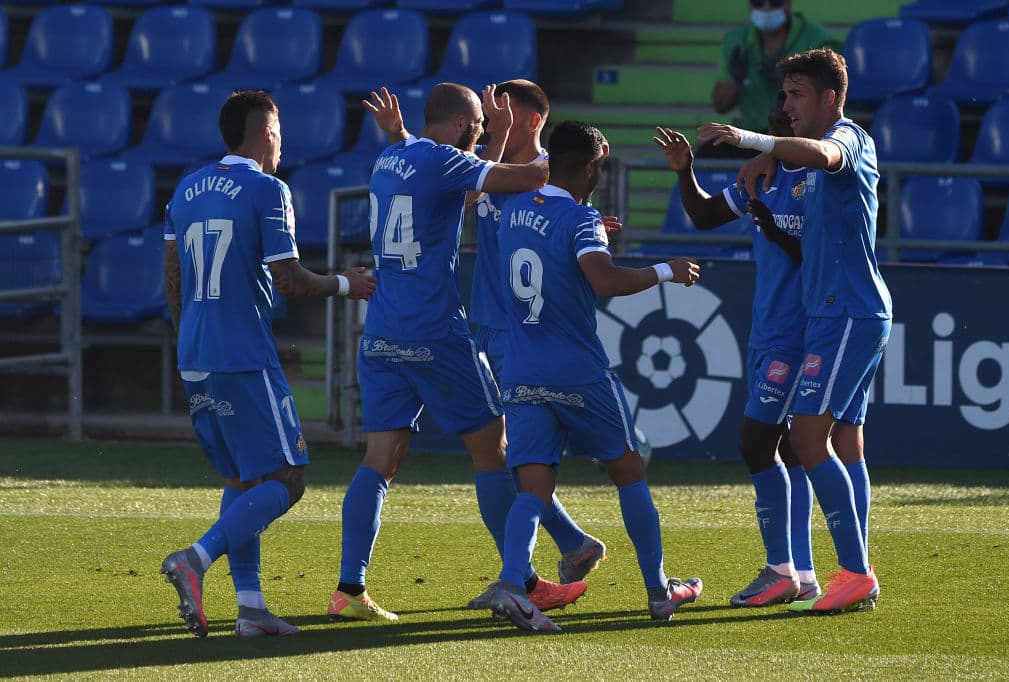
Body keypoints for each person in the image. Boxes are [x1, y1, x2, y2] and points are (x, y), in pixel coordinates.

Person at [328, 82, 587, 624]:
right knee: (493, 448)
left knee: (380, 460)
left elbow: (454, 183)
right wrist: (513, 131)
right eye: (478, 126)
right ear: (463, 124)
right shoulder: (445, 160)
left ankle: (349, 589)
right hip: (434, 331)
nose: (482, 134)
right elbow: (537, 176)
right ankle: (524, 581)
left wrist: (407, 133)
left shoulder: (389, 156)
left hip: (380, 332)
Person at [161, 90, 377, 638]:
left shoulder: (184, 191)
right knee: (287, 477)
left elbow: (173, 282)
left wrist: (190, 339)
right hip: (243, 355)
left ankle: (251, 608)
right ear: (266, 134)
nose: (282, 142)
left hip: (195, 352)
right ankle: (197, 557)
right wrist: (349, 283)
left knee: (242, 476)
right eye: (279, 131)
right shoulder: (267, 188)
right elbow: (290, 278)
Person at [482, 120, 704, 633]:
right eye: (599, 168)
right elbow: (604, 280)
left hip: (522, 368)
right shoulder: (580, 219)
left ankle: (513, 585)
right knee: (628, 471)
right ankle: (658, 591)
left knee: (533, 484)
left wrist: (590, 231)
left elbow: (545, 247)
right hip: (578, 370)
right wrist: (666, 270)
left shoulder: (513, 211)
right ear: (587, 168)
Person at [698, 47, 891, 614]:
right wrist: (769, 160)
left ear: (831, 98)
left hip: (849, 315)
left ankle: (852, 572)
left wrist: (754, 143)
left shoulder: (849, 138)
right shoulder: (798, 162)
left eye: (797, 94)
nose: (786, 104)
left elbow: (823, 153)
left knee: (806, 440)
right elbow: (799, 168)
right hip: (837, 315)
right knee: (840, 440)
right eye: (783, 95)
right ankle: (831, 571)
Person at [655, 92, 820, 608]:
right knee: (790, 447)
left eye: (785, 122)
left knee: (756, 443)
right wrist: (686, 171)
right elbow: (704, 216)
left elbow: (819, 253)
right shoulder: (762, 177)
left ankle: (779, 569)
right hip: (768, 328)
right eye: (773, 122)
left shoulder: (819, 182)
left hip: (797, 332)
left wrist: (770, 224)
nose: (779, 129)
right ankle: (804, 572)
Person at [703, 0, 838, 159]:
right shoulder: (736, 40)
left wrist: (787, 81)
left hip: (799, 136)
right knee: (705, 155)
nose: (766, 8)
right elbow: (720, 106)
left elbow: (830, 103)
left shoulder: (819, 41)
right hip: (750, 134)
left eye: (775, 2)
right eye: (758, 2)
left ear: (788, 3)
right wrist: (736, 80)